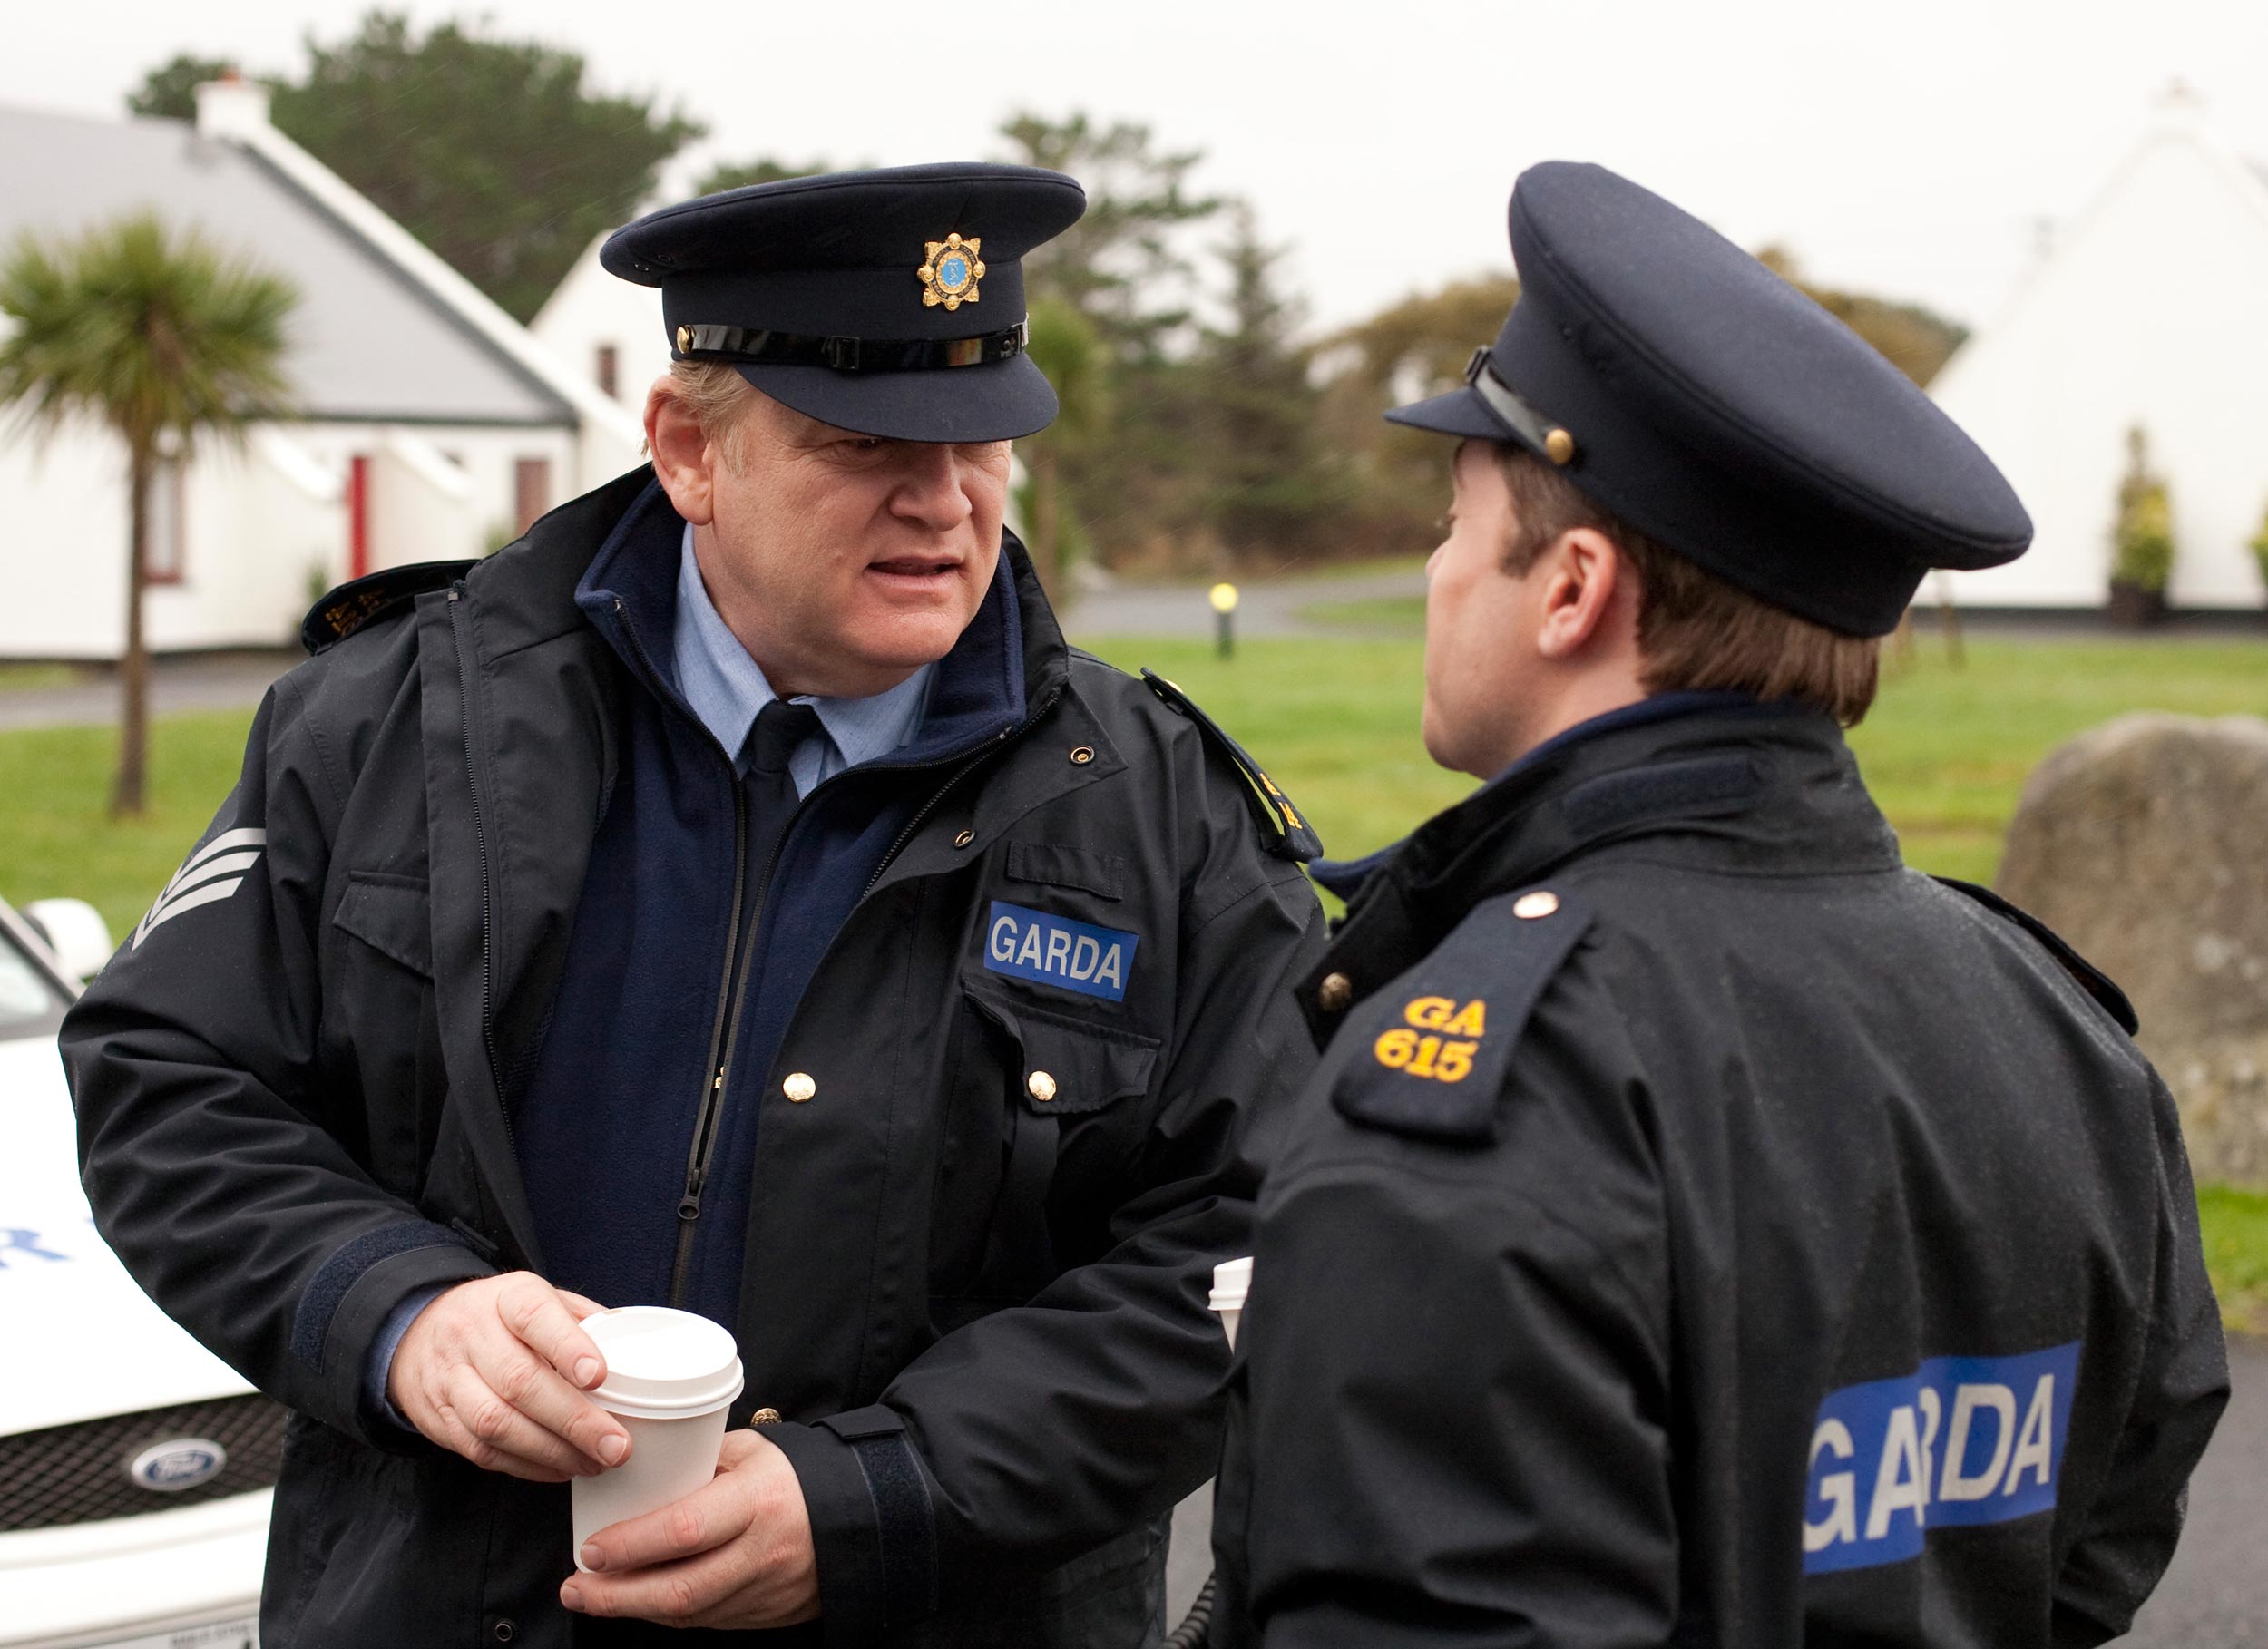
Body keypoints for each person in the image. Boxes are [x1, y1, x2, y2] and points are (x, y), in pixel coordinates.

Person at [64, 163, 1327, 1647]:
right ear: (687, 450)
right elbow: (170, 1079)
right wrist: (392, 1313)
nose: (943, 499)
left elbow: (1260, 1239)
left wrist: (889, 1491)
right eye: (863, 442)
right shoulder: (394, 724)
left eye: (985, 439)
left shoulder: (1150, 804)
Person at [1206, 161, 2228, 1646]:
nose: (1432, 573)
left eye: (1451, 522)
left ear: (1570, 589)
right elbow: (2103, 1536)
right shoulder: (2055, 1027)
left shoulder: (1486, 1092)